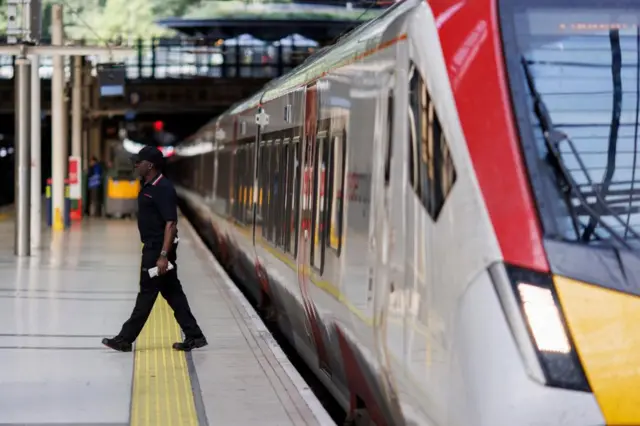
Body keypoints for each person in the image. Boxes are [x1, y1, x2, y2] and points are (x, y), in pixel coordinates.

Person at [102, 146, 208, 352]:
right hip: (154, 249)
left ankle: (125, 339)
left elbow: (171, 223)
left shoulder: (163, 188)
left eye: (138, 162)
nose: (135, 165)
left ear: (149, 165)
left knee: (146, 294)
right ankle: (195, 336)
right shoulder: (149, 185)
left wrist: (163, 256)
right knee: (173, 293)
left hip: (157, 251)